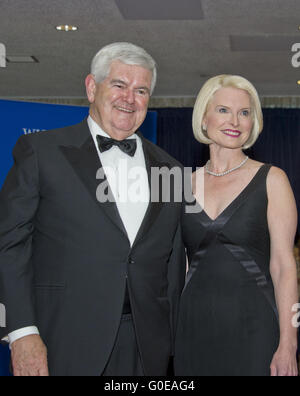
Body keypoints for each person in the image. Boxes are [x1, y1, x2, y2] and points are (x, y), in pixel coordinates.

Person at [0, 42, 186, 376]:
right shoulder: (41, 151)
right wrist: (22, 332)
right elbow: (9, 245)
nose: (129, 98)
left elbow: (171, 264)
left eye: (141, 90)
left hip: (147, 346)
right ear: (91, 87)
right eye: (119, 85)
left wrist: (170, 341)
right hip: (62, 338)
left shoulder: (170, 169)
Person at [174, 75, 299, 376]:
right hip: (192, 328)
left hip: (256, 327)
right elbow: (175, 264)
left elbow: (284, 267)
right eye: (223, 110)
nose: (235, 121)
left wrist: (289, 343)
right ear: (203, 118)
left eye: (244, 112)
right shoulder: (179, 185)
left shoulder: (272, 179)